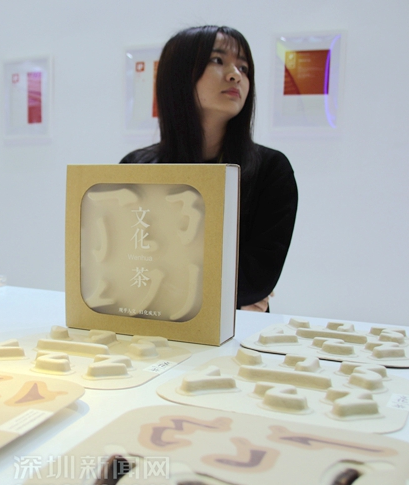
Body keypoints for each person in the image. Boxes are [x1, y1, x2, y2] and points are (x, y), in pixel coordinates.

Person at [121, 25, 298, 312]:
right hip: (151, 324)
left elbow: (254, 280)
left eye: (243, 67)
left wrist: (241, 291)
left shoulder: (271, 169)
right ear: (179, 75)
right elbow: (121, 270)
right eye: (218, 60)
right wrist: (229, 292)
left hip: (237, 331)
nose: (235, 75)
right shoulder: (136, 167)